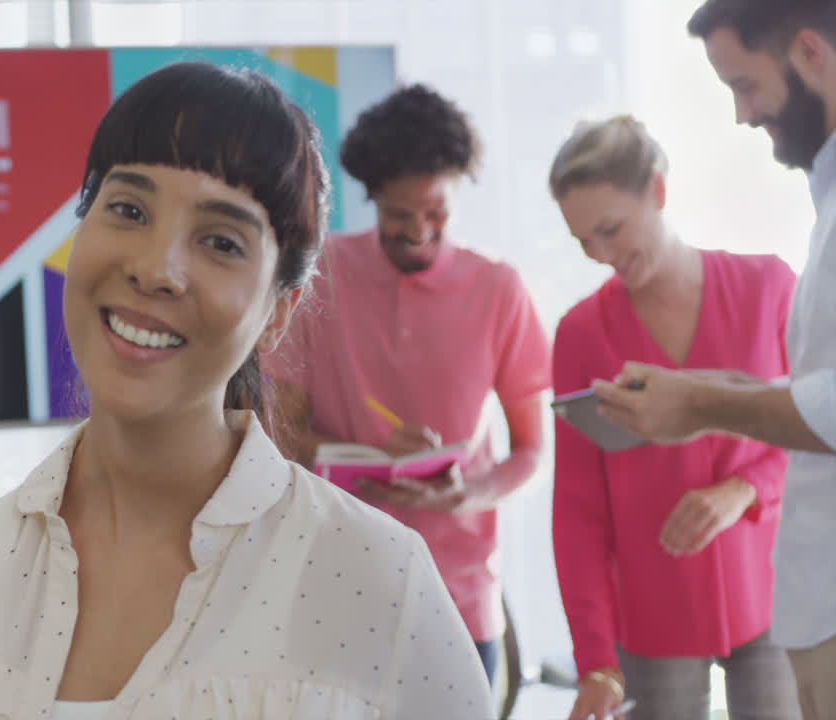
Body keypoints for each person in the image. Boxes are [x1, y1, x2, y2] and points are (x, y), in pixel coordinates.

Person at [0, 61, 492, 720]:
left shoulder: (381, 588)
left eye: (220, 242)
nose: (157, 268)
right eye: (128, 209)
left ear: (279, 312)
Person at [589, 4, 836, 718]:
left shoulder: (764, 277)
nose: (741, 115)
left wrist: (698, 406)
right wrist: (696, 389)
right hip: (808, 604)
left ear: (811, 54)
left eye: (747, 85)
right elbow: (811, 390)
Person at [265, 83, 551, 687]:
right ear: (371, 199)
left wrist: (468, 493)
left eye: (436, 213)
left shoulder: (498, 288)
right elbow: (281, 431)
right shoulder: (324, 276)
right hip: (338, 582)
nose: (420, 230)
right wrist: (356, 456)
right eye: (400, 215)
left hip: (461, 598)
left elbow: (530, 450)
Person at [547, 115, 801, 720]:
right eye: (584, 241)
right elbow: (578, 510)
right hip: (651, 617)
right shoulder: (580, 334)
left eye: (610, 230)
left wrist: (744, 490)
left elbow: (816, 431)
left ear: (657, 191)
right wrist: (596, 663)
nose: (601, 256)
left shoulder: (769, 287)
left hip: (774, 590)